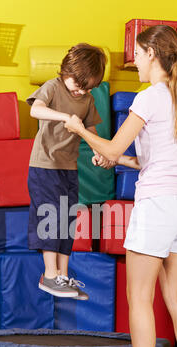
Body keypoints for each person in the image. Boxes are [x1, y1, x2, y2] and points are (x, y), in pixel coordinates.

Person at [65, 25, 177, 347]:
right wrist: (115, 159)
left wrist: (81, 130)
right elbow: (145, 159)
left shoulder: (148, 97)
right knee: (175, 295)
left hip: (157, 204)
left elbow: (110, 146)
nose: (136, 62)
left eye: (139, 55)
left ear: (153, 54)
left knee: (139, 296)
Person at [26, 43, 106, 299]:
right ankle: (49, 275)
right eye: (78, 85)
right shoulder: (52, 87)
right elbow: (35, 109)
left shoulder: (87, 99)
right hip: (44, 165)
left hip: (68, 168)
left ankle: (61, 275)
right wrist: (64, 118)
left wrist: (98, 152)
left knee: (67, 220)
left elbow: (92, 131)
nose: (81, 91)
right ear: (65, 71)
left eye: (88, 87)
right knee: (49, 218)